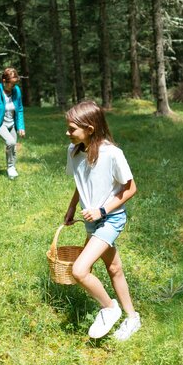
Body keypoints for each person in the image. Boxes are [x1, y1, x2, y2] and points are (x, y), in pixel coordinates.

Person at [63, 101, 141, 341]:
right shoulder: (74, 151)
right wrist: (72, 206)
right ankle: (132, 318)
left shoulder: (112, 154)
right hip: (90, 221)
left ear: (90, 128)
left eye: (72, 129)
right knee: (114, 268)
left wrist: (102, 210)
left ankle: (109, 308)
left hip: (110, 219)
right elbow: (80, 182)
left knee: (79, 270)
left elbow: (131, 189)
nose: (68, 133)